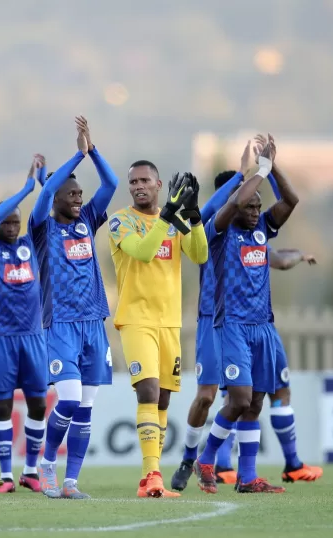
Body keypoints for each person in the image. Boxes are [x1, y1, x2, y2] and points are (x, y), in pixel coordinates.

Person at [190, 135, 297, 494]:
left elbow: (291, 200)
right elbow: (235, 199)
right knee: (237, 399)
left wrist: (274, 166)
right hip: (231, 326)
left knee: (254, 405)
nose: (254, 211)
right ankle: (207, 458)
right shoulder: (217, 233)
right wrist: (257, 170)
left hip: (262, 326)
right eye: (249, 206)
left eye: (258, 207)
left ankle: (248, 477)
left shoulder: (263, 230)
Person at [107, 161, 208, 498]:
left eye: (145, 180)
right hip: (136, 319)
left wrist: (193, 216)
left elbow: (199, 254)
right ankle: (151, 475)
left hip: (169, 321)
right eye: (133, 181)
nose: (138, 186)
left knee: (162, 400)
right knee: (148, 391)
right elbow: (144, 252)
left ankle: (151, 475)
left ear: (158, 183)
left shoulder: (173, 220)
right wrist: (167, 216)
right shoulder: (122, 221)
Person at [30, 116, 118, 499]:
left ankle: (70, 482)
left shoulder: (87, 220)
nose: (79, 198)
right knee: (67, 399)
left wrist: (92, 151)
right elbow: (48, 188)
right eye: (73, 194)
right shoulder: (41, 227)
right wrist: (76, 155)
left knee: (85, 406)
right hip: (61, 324)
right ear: (56, 198)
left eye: (81, 193)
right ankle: (45, 465)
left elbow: (111, 183)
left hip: (94, 324)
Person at [0, 155, 49, 493]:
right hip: (1, 338)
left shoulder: (30, 245)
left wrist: (42, 180)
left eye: (15, 222)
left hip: (33, 337)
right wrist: (23, 189)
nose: (11, 227)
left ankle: (30, 470)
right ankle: (6, 475)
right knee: (2, 405)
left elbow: (44, 209)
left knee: (37, 404)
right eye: (6, 221)